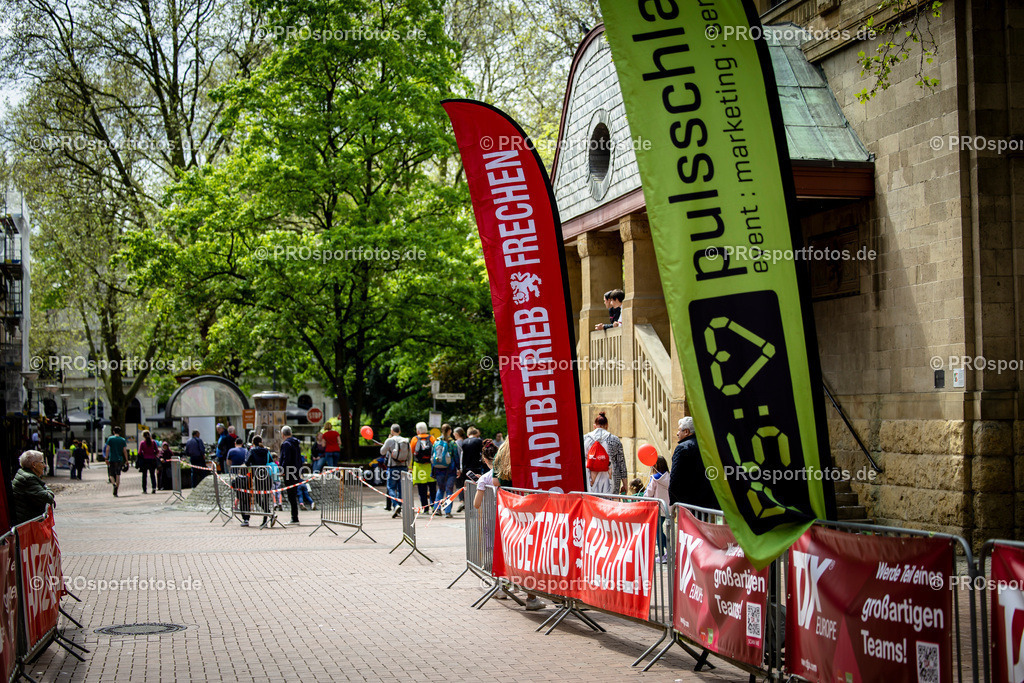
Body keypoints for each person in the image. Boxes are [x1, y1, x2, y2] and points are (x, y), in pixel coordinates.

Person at [669, 416, 718, 509]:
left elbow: (675, 477)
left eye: (679, 430)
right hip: (707, 502)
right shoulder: (707, 446)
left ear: (686, 432)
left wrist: (674, 502)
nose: (677, 433)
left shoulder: (682, 448)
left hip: (687, 503)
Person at [583, 412, 627, 494]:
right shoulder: (614, 440)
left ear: (594, 426)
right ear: (607, 426)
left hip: (590, 480)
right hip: (610, 480)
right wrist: (625, 484)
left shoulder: (585, 439)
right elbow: (621, 464)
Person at [12, 451, 55, 523]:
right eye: (42, 462)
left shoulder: (24, 473)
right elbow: (48, 498)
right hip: (26, 522)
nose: (44, 466)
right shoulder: (29, 478)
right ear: (34, 465)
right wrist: (47, 489)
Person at [644, 456, 671, 563]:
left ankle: (663, 553)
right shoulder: (670, 476)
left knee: (658, 531)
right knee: (660, 530)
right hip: (669, 508)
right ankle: (668, 551)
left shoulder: (655, 478)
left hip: (658, 508)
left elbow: (648, 493)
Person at [241, 436, 272, 528]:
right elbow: (270, 460)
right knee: (266, 498)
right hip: (266, 475)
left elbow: (247, 462)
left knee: (258, 498)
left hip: (258, 476)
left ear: (253, 442)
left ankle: (268, 513)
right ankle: (266, 519)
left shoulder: (252, 450)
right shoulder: (266, 450)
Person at [379, 424, 409, 517]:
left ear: (392, 431)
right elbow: (410, 455)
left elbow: (382, 452)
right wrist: (408, 466)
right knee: (401, 489)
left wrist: (387, 443)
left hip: (392, 467)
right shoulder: (406, 440)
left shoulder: (390, 440)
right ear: (399, 431)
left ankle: (395, 505)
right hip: (403, 467)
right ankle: (398, 508)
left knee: (391, 487)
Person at [431, 424, 460, 518]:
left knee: (440, 489)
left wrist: (433, 471)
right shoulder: (452, 443)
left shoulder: (436, 441)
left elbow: (433, 456)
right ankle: (447, 511)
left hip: (438, 470)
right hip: (450, 470)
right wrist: (458, 468)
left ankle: (437, 509)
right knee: (449, 490)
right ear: (449, 431)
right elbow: (456, 456)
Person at [408, 422, 436, 512]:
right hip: (430, 467)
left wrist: (410, 467)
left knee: (422, 490)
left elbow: (411, 454)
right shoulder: (432, 438)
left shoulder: (414, 439)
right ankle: (434, 506)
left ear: (418, 430)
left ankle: (425, 508)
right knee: (432, 488)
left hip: (419, 468)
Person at [279, 426, 303, 524]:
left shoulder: (286, 444)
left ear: (282, 434)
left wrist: (282, 470)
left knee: (291, 495)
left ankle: (294, 517)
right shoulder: (296, 443)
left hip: (289, 471)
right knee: (293, 493)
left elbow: (286, 458)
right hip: (296, 471)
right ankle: (295, 516)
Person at [457, 427, 483, 512]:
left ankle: (467, 504)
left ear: (468, 434)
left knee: (467, 487)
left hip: (466, 469)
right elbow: (482, 455)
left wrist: (461, 468)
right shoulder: (479, 441)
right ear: (476, 434)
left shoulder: (464, 442)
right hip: (476, 468)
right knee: (476, 487)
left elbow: (462, 456)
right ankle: (474, 506)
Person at [104, 426, 127, 496]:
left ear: (113, 431)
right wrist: (126, 460)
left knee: (111, 474)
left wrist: (106, 458)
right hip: (119, 459)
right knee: (118, 474)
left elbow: (107, 449)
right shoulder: (122, 440)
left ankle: (113, 484)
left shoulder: (110, 439)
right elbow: (124, 450)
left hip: (112, 459)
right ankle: (116, 488)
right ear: (120, 432)